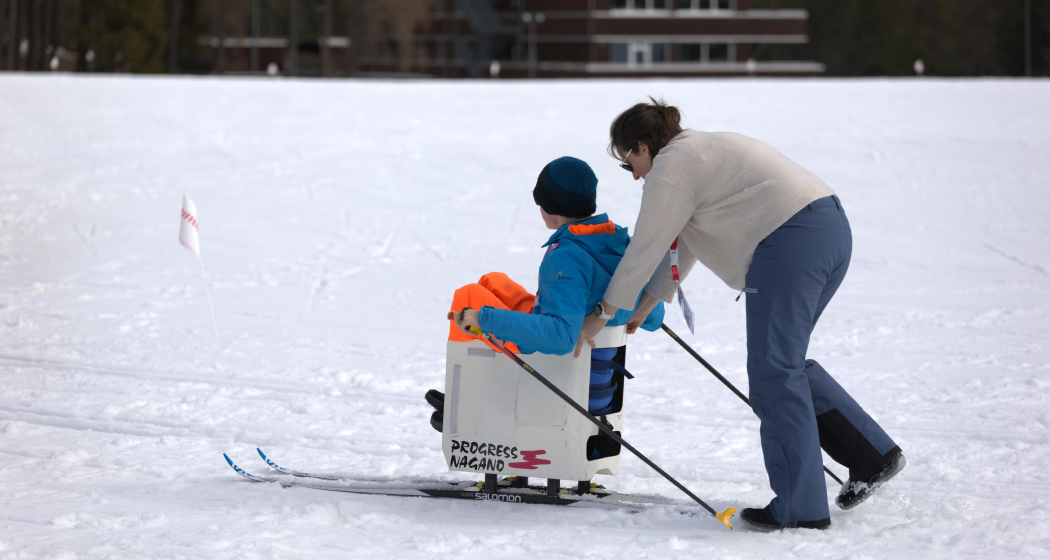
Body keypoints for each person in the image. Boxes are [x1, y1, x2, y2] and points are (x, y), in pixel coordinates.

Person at [575, 98, 904, 531]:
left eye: (628, 162)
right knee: (785, 365)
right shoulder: (698, 152)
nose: (635, 173)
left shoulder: (671, 167)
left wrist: (603, 312)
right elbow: (687, 240)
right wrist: (650, 302)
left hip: (789, 243)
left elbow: (646, 247)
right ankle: (871, 455)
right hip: (829, 230)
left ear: (643, 146)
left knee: (774, 374)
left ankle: (800, 508)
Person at [427, 156, 664, 434]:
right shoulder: (613, 240)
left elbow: (561, 337)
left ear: (550, 208)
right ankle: (468, 385)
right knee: (493, 282)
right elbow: (652, 315)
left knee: (469, 297)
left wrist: (483, 318)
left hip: (561, 375)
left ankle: (465, 402)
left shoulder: (566, 256)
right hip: (596, 377)